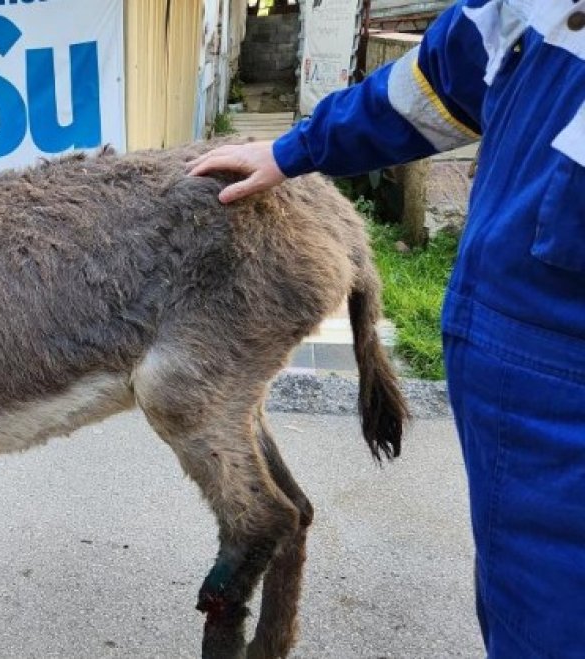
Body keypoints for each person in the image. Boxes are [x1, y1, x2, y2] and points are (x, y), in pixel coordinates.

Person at [188, 2, 585, 657]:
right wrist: (297, 148)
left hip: (555, 372)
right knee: (518, 616)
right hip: (511, 381)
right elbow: (439, 80)